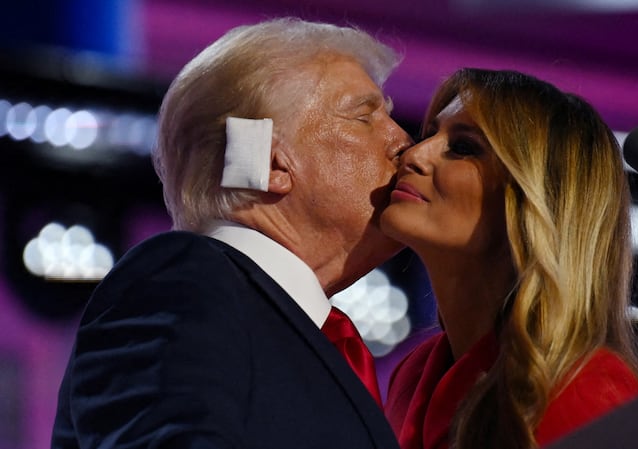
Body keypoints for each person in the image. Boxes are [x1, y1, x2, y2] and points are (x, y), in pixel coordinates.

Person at [51, 17, 413, 449]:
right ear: (275, 165)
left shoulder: (303, 333)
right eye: (363, 116)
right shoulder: (179, 281)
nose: (403, 140)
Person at [381, 68, 638, 449]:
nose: (413, 155)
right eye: (430, 135)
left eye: (462, 147)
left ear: (534, 201)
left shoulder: (587, 391)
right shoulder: (415, 371)